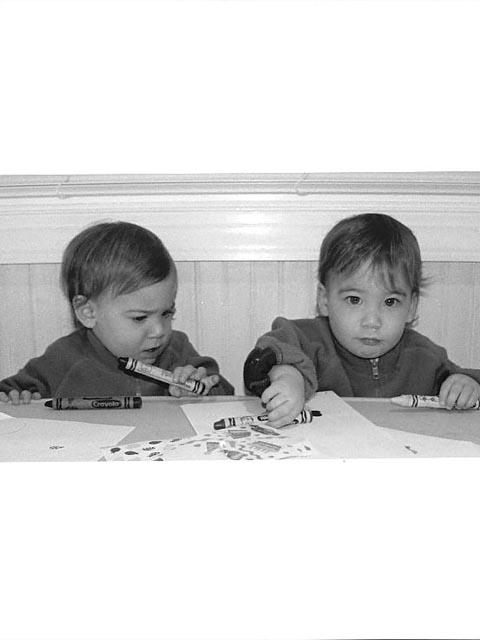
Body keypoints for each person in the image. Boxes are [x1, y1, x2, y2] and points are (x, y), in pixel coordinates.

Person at [243, 213, 480, 427]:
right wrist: (288, 377)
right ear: (324, 299)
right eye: (354, 300)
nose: (372, 321)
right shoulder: (307, 340)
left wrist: (465, 385)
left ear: (411, 307)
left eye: (390, 302)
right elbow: (266, 356)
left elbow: (461, 379)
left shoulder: (424, 357)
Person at [0, 221, 234, 403]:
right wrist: (17, 398)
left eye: (166, 313)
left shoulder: (177, 350)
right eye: (140, 318)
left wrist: (201, 388)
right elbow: (10, 393)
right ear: (88, 313)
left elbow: (224, 397)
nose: (159, 331)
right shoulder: (64, 358)